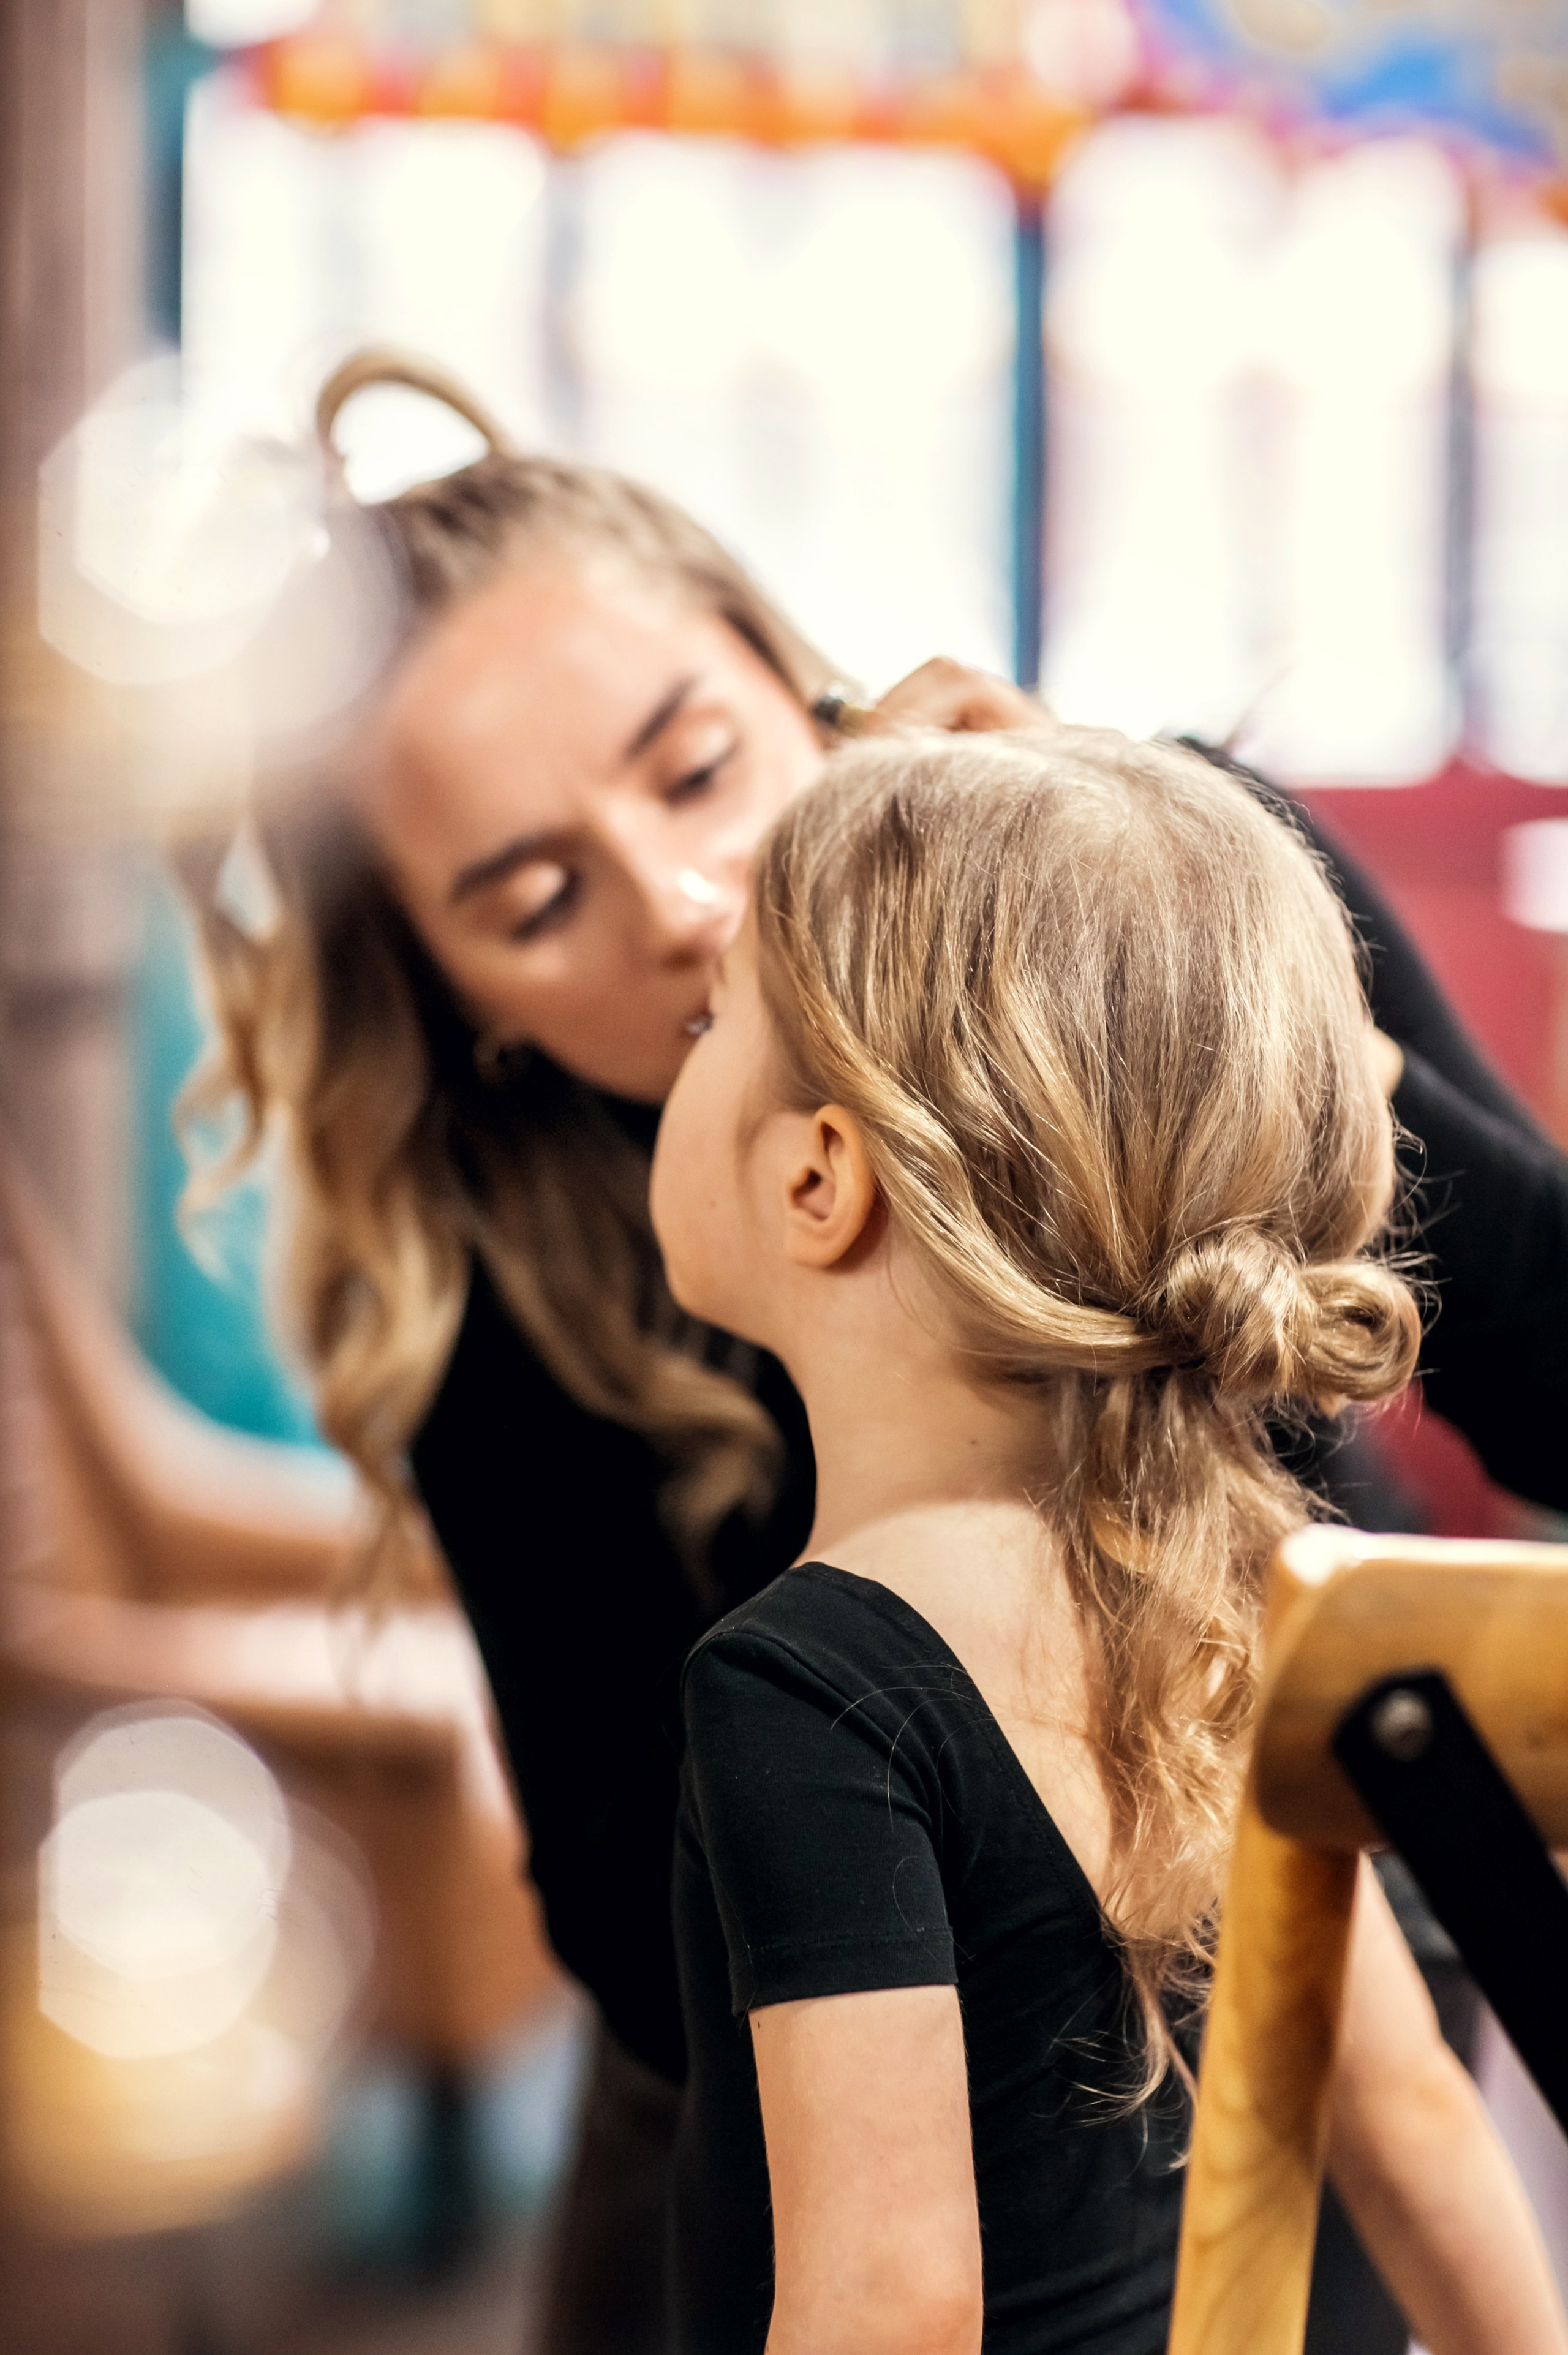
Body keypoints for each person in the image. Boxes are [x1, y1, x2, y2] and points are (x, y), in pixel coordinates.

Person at [180, 351, 1568, 2349]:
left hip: (1285, 1927)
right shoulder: (549, 1301)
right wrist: (943, 1845)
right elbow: (689, 1995)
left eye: (695, 771)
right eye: (536, 897)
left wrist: (1214, 993)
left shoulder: (1188, 903)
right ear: (449, 988)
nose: (678, 911)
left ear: (802, 683)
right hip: (815, 2011)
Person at [648, 725, 1567, 2355]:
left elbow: (887, 2310)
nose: (683, 1040)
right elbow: (1416, 2128)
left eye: (718, 1017)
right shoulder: (1244, 1599)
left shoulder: (806, 1690)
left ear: (818, 1180)